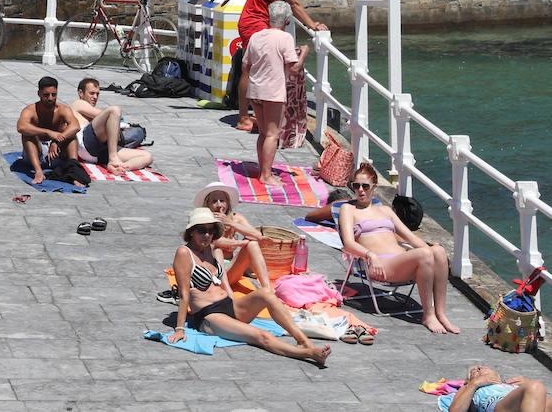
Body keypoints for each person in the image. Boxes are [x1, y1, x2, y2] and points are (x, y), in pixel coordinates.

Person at [169, 207, 330, 367]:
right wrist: (179, 329)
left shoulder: (210, 249)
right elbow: (184, 295)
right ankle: (309, 354)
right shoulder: (184, 253)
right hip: (209, 316)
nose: (207, 235)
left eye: (211, 231)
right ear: (191, 231)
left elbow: (256, 237)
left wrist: (234, 229)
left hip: (230, 306)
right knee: (262, 335)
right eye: (202, 230)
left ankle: (304, 342)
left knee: (266, 293)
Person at [338, 162, 459, 334]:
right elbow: (348, 243)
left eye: (365, 186)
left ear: (374, 187)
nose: (360, 190)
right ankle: (428, 315)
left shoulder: (386, 210)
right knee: (425, 253)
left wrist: (433, 253)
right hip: (380, 264)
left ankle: (441, 314)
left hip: (402, 261)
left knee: (437, 250)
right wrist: (370, 255)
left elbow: (410, 237)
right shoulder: (348, 209)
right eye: (356, 186)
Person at [230, 0, 327, 130]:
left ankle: (256, 113)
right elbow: (294, 3)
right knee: (249, 70)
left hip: (257, 22)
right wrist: (312, 25)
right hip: (253, 23)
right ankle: (243, 118)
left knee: (254, 68)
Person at [241, 0, 310, 186]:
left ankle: (263, 169)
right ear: (287, 21)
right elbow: (294, 68)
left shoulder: (256, 36)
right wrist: (304, 52)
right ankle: (266, 175)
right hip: (273, 91)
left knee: (263, 133)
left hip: (255, 89)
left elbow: (245, 65)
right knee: (272, 134)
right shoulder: (285, 38)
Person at [194, 182, 275, 294]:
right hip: (212, 272)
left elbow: (258, 236)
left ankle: (268, 290)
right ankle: (227, 290)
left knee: (253, 243)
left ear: (227, 203)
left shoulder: (235, 218)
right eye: (214, 201)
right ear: (207, 204)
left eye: (222, 201)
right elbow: (214, 241)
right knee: (216, 249)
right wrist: (239, 243)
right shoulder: (204, 220)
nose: (219, 205)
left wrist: (231, 223)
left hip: (231, 269)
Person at [70, 77, 153, 175]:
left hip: (98, 153)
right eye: (92, 93)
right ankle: (113, 158)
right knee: (115, 110)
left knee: (147, 156)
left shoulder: (90, 113)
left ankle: (119, 167)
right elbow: (106, 113)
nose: (95, 97)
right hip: (86, 143)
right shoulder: (78, 104)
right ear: (80, 93)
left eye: (97, 94)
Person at [15, 76, 89, 186]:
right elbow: (21, 127)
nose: (50, 98)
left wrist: (56, 141)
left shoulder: (62, 109)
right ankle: (38, 172)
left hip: (56, 154)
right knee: (27, 133)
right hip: (36, 154)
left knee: (69, 132)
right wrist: (48, 132)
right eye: (46, 95)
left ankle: (74, 172)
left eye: (54, 94)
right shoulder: (30, 110)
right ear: (39, 93)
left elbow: (75, 126)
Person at [443, 365, 551, 412]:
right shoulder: (468, 387)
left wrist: (527, 383)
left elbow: (537, 402)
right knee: (535, 386)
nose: (479, 367)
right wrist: (474, 383)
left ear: (497, 375)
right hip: (499, 407)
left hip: (518, 403)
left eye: (483, 367)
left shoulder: (508, 384)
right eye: (474, 372)